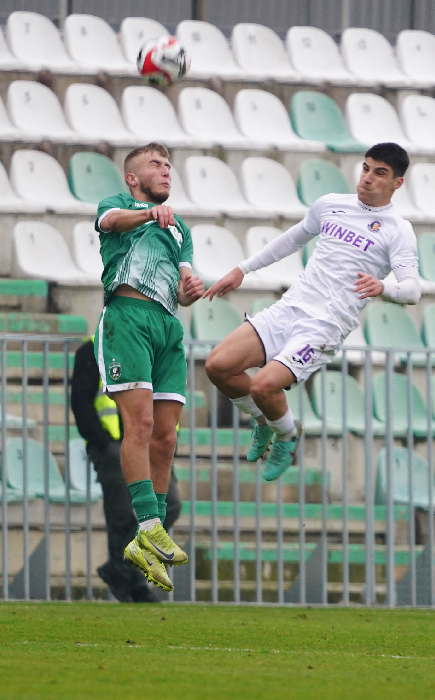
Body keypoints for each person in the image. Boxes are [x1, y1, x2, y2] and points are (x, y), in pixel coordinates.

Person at [204, 142, 421, 481]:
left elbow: (412, 290)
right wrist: (243, 269)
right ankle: (264, 421)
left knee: (263, 386)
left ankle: (288, 435)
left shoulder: (398, 229)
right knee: (218, 366)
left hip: (324, 327)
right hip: (289, 308)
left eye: (380, 173)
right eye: (366, 168)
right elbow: (291, 240)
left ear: (397, 183)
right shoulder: (330, 204)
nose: (367, 178)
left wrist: (383, 287)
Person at [94, 142, 204, 592]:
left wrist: (190, 288)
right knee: (138, 424)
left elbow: (181, 283)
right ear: (132, 178)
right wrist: (146, 215)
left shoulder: (179, 228)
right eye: (155, 164)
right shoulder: (118, 206)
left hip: (167, 325)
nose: (165, 170)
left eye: (168, 165)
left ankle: (148, 539)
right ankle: (148, 525)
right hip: (128, 319)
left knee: (166, 435)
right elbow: (111, 222)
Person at [71, 336, 182, 602]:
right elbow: (80, 402)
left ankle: (120, 568)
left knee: (169, 504)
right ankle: (134, 586)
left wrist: (166, 443)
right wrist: (104, 444)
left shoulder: (156, 349)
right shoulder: (92, 349)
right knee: (121, 515)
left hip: (150, 447)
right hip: (114, 446)